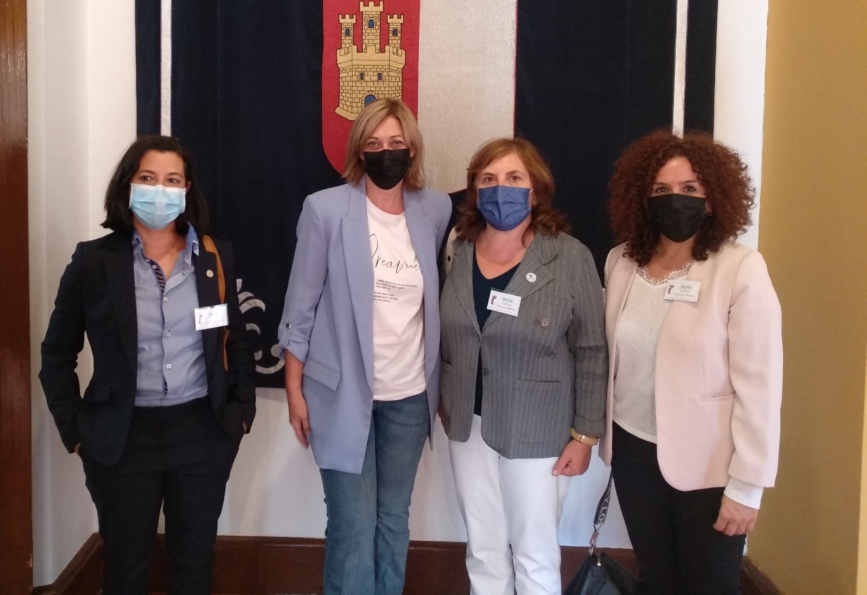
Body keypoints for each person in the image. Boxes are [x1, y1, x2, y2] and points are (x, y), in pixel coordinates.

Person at [38, 135, 256, 595]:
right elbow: (56, 354)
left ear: (187, 189)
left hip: (202, 431)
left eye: (172, 180)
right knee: (125, 569)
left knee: (194, 565)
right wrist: (75, 430)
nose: (161, 190)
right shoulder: (93, 262)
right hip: (122, 437)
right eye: (148, 178)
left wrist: (240, 413)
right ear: (128, 185)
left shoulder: (213, 257)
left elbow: (233, 340)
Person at [278, 98, 451, 595]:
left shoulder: (435, 209)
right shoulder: (326, 210)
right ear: (359, 151)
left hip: (409, 397)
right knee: (353, 525)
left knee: (393, 519)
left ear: (412, 149)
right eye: (374, 143)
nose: (386, 152)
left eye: (396, 143)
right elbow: (300, 307)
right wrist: (294, 390)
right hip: (340, 395)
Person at [601, 130, 783, 595]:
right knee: (658, 579)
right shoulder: (620, 263)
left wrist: (747, 487)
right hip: (634, 452)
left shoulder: (740, 268)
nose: (674, 199)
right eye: (661, 189)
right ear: (643, 199)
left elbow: (760, 388)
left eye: (689, 189)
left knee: (710, 585)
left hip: (709, 465)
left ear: (713, 198)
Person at [439, 136, 608, 595]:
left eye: (514, 178)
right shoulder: (458, 249)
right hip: (468, 426)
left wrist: (585, 435)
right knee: (483, 548)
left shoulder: (570, 256)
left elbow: (592, 349)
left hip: (538, 430)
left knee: (534, 553)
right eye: (488, 179)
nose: (501, 188)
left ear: (535, 191)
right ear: (475, 190)